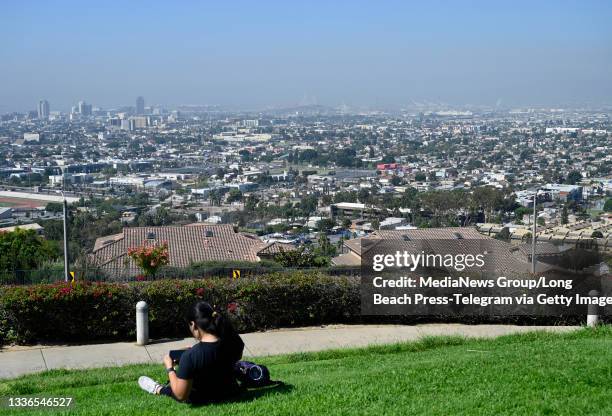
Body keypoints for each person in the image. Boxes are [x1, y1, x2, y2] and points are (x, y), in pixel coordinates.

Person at [138, 301, 244, 404]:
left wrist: (170, 368)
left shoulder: (190, 356)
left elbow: (180, 395)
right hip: (230, 392)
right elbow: (215, 353)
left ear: (193, 324)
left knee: (175, 388)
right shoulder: (232, 343)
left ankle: (158, 389)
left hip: (201, 397)